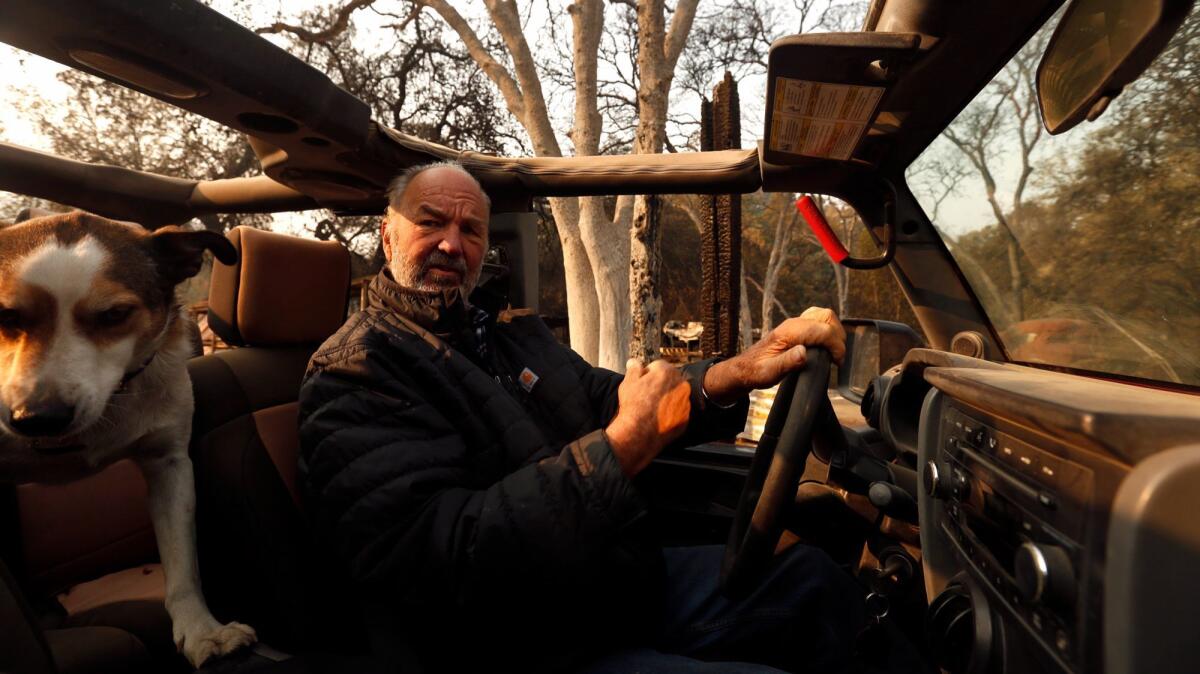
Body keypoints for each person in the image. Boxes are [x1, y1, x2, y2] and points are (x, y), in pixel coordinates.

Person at [297, 161, 864, 673]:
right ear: (386, 233)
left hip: (606, 589)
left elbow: (615, 399)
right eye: (431, 222)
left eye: (470, 230)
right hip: (509, 645)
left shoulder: (506, 335)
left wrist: (739, 370)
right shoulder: (357, 369)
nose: (452, 244)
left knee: (814, 580)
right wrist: (620, 449)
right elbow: (439, 558)